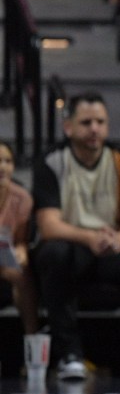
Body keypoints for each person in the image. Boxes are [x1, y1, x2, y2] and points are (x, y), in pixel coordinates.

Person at [32, 93, 120, 381]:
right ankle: (69, 354)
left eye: (100, 122)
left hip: (113, 250)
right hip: (74, 248)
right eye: (86, 122)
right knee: (53, 252)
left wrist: (118, 240)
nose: (94, 129)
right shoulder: (50, 161)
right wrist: (88, 237)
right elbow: (49, 225)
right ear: (68, 127)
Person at [0, 141, 40, 341]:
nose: (2, 167)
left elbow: (23, 240)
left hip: (7, 259)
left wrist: (21, 252)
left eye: (8, 161)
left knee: (22, 274)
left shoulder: (22, 197)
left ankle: (32, 341)